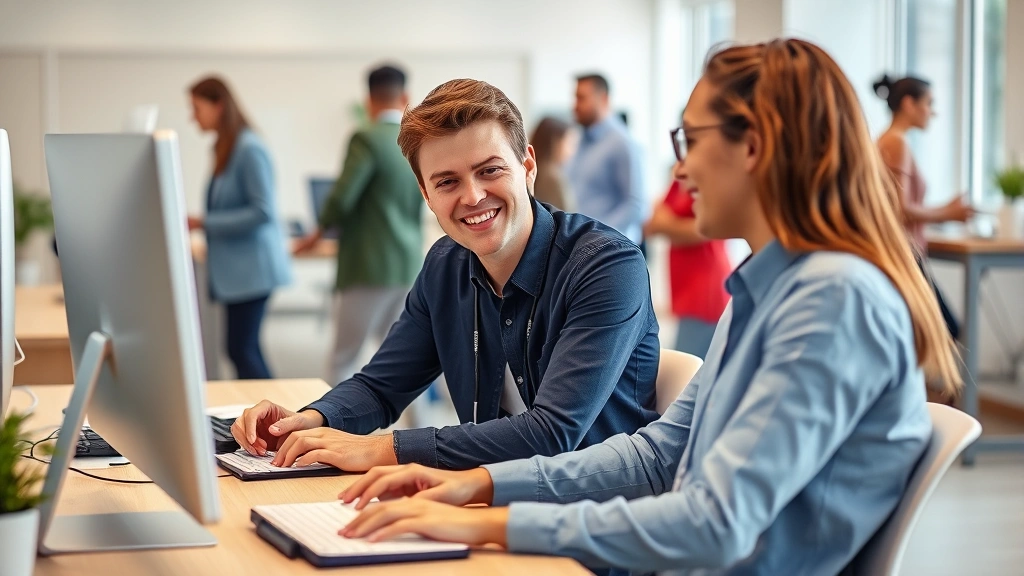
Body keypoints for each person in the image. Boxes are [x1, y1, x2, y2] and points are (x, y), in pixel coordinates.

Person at [334, 39, 963, 576]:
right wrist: (479, 486)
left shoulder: (832, 300)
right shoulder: (764, 292)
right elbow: (657, 455)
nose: (680, 168)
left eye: (689, 138)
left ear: (757, 145)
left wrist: (488, 526)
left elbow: (716, 522)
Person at [231, 79, 660, 473]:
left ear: (527, 165)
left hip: (591, 524)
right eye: (447, 181)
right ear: (426, 194)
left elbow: (552, 434)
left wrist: (387, 450)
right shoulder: (446, 263)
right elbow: (381, 387)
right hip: (487, 502)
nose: (472, 196)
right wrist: (308, 420)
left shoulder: (605, 266)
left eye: (490, 170)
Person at [293, 65, 424, 384]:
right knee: (403, 360)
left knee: (344, 358)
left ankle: (329, 433)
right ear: (405, 96)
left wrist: (318, 231)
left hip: (368, 264)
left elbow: (341, 198)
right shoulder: (418, 140)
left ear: (369, 100)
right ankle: (423, 429)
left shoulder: (365, 138)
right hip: (407, 265)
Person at [187, 76, 291, 380]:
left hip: (252, 271)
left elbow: (263, 211)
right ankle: (269, 419)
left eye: (196, 108)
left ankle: (273, 421)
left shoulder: (248, 148)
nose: (193, 117)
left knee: (242, 350)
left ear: (218, 105)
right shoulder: (228, 147)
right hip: (239, 272)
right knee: (241, 349)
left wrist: (204, 222)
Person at [874, 74, 973, 341]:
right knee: (946, 328)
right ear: (908, 104)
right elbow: (900, 209)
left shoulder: (889, 141)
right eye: (929, 103)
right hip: (905, 252)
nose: (933, 112)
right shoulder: (896, 143)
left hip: (902, 252)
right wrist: (949, 214)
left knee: (921, 332)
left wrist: (943, 210)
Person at [643, 114, 732, 359]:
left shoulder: (711, 176)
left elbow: (704, 230)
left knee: (691, 372)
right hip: (686, 287)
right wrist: (677, 226)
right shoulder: (684, 173)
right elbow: (653, 223)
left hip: (706, 289)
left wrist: (671, 226)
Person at [567, 74, 647, 244]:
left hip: (607, 248)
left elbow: (636, 205)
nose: (575, 105)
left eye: (581, 98)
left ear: (603, 99)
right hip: (580, 244)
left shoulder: (622, 143)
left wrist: (599, 234)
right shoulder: (580, 140)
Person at [528, 116, 575, 211]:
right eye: (569, 143)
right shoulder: (551, 177)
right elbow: (568, 215)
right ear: (555, 142)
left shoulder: (530, 168)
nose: (572, 151)